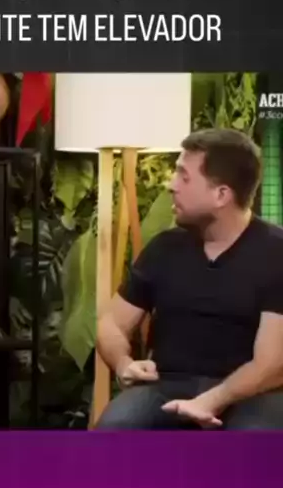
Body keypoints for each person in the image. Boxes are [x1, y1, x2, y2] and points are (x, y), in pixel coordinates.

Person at [96, 128, 283, 431]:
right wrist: (123, 363)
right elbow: (112, 324)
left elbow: (272, 365)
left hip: (251, 392)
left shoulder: (276, 253)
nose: (171, 185)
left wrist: (211, 400)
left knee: (255, 439)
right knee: (116, 427)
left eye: (184, 177)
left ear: (221, 194)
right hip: (167, 385)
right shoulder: (165, 247)